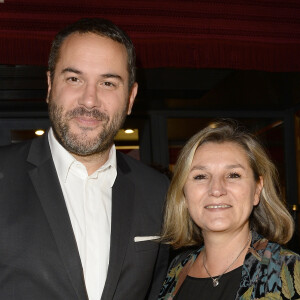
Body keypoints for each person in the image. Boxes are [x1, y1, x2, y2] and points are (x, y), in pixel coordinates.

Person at [0, 18, 169, 300]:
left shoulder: (158, 191)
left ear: (130, 97)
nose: (89, 100)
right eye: (74, 79)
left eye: (107, 82)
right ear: (50, 85)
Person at [159, 119, 300, 299]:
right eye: (200, 176)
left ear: (257, 189)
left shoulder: (290, 272)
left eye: (233, 175)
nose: (216, 189)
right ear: (184, 193)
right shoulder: (175, 270)